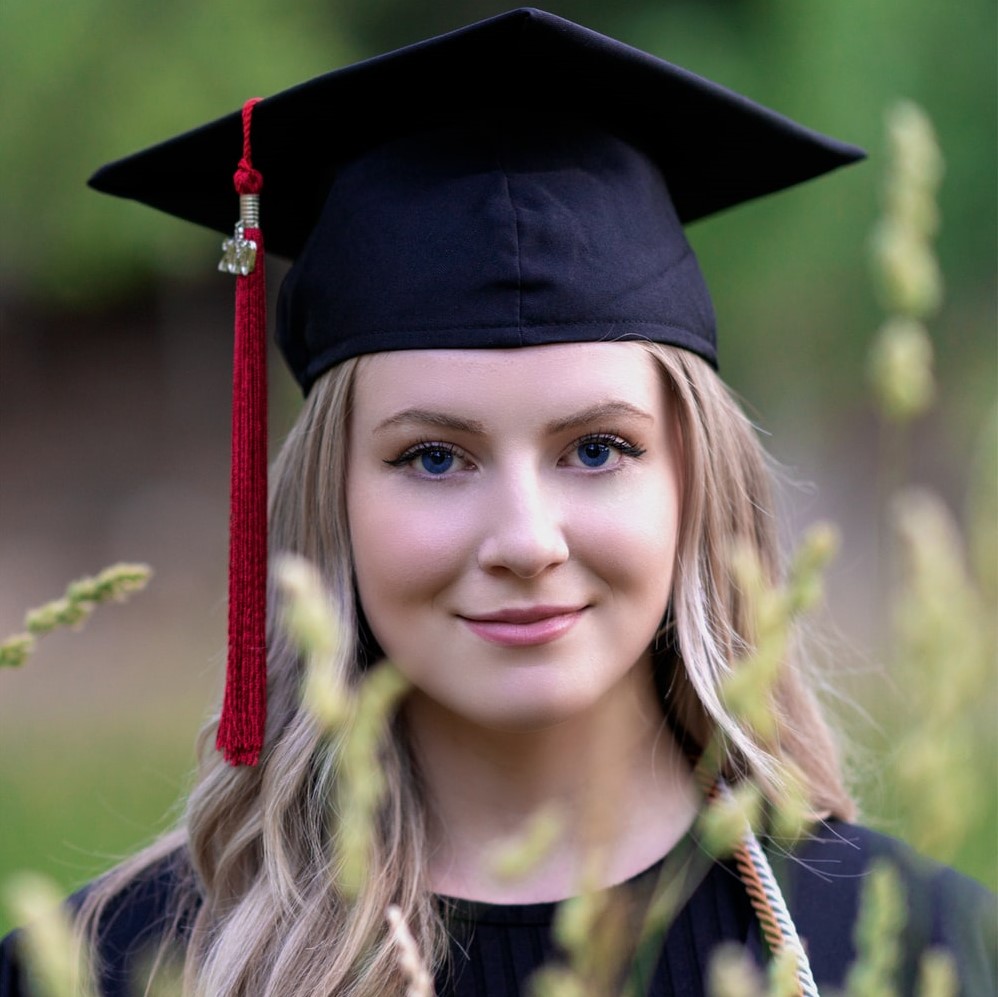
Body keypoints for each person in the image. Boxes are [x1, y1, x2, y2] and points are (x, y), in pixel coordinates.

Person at [1, 8, 994, 996]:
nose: (525, 538)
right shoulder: (120, 966)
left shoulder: (902, 946)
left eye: (597, 449)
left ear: (695, 484)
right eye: (434, 458)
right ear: (326, 503)